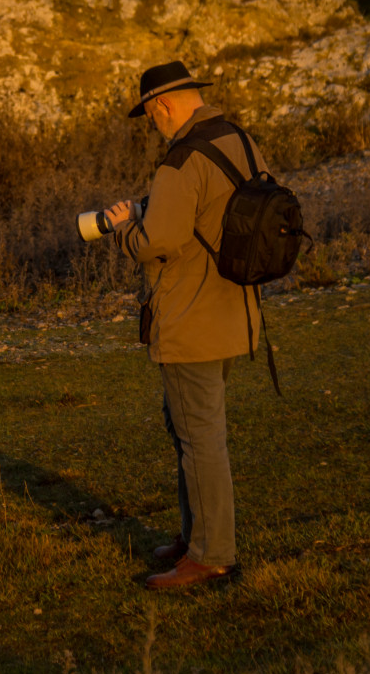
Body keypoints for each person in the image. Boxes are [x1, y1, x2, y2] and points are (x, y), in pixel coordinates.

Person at [102, 60, 269, 590]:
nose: (154, 124)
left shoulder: (180, 161)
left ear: (162, 106)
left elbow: (158, 243)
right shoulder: (240, 140)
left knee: (198, 438)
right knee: (195, 431)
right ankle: (194, 534)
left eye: (151, 115)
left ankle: (211, 555)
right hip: (235, 309)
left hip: (191, 318)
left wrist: (125, 228)